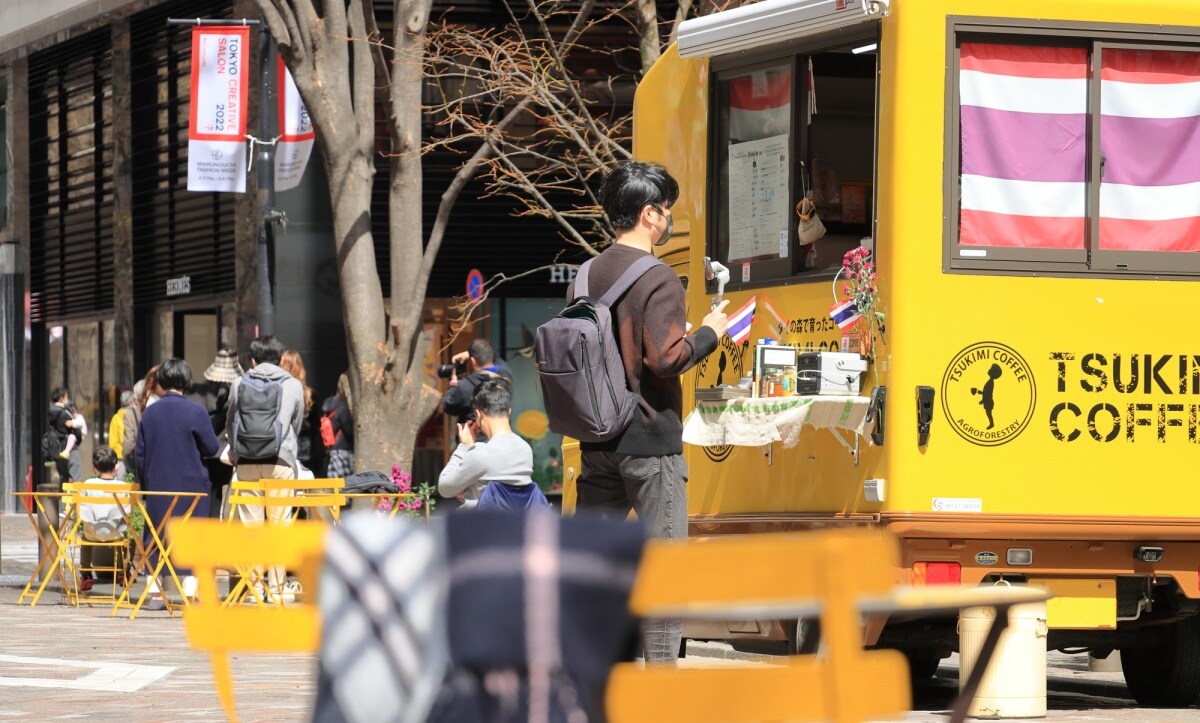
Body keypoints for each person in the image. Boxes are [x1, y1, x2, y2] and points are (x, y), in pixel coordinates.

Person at [565, 160, 728, 662]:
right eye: (666, 209)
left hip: (596, 442)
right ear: (649, 214)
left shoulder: (585, 273)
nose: (668, 219)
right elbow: (665, 358)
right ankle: (659, 697)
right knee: (663, 571)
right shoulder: (658, 277)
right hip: (650, 443)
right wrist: (709, 332)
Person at [134, 358, 220, 609]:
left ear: (162, 381)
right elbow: (212, 447)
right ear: (187, 382)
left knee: (157, 536)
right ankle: (192, 592)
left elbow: (140, 454)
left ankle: (155, 593)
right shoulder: (195, 411)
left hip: (158, 485)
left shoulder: (150, 413)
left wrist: (145, 484)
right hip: (192, 487)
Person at [225, 335, 305, 599]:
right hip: (280, 461)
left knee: (252, 527)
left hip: (247, 462)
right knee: (280, 525)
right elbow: (296, 424)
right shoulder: (292, 385)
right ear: (280, 359)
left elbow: (230, 420)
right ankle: (278, 588)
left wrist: (237, 451)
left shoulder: (239, 382)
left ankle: (256, 589)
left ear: (253, 359)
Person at [438, 379, 548, 511]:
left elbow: (445, 488)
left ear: (478, 415)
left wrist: (464, 447)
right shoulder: (525, 449)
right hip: (516, 526)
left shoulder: (480, 453)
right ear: (509, 411)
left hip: (481, 527)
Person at [187, 348, 242, 518]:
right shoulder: (236, 393)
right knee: (222, 499)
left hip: (200, 453)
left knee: (202, 498)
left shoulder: (196, 393)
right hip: (224, 453)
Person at [76, 445, 128, 592]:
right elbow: (127, 514)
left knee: (85, 539)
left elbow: (82, 510)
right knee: (126, 536)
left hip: (92, 533)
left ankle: (86, 573)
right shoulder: (123, 487)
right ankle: (123, 570)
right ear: (116, 467)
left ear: (94, 468)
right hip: (116, 534)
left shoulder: (87, 485)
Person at [442, 338, 514, 425]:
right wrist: (470, 354)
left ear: (473, 361)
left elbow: (448, 405)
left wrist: (453, 382)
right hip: (501, 435)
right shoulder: (505, 374)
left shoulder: (465, 386)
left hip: (475, 436)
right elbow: (495, 356)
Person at [279, 349, 317, 477]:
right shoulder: (310, 394)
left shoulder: (279, 391)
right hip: (310, 449)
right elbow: (316, 423)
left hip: (288, 449)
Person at [123, 365, 160, 480]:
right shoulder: (158, 408)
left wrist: (126, 458)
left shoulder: (130, 414)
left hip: (140, 462)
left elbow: (128, 443)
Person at [320, 373, 355, 478]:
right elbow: (349, 432)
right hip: (344, 452)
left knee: (334, 486)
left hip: (333, 452)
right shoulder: (342, 408)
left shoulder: (328, 408)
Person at [44, 387, 77, 484]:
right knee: (71, 478)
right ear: (61, 398)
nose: (67, 400)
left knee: (61, 477)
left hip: (55, 448)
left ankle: (60, 498)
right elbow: (76, 431)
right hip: (67, 449)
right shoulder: (65, 413)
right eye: (66, 397)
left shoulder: (49, 412)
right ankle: (67, 499)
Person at [106, 389, 135, 479]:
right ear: (132, 402)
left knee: (120, 487)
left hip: (118, 457)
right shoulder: (134, 417)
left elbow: (112, 440)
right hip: (131, 457)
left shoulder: (116, 418)